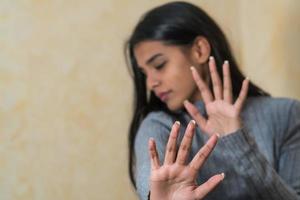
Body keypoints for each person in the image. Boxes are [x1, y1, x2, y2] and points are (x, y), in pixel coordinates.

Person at [124, 1, 300, 200]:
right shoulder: (158, 126)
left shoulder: (285, 114)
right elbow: (150, 186)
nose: (151, 83)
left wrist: (237, 142)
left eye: (159, 65)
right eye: (144, 73)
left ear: (199, 50)